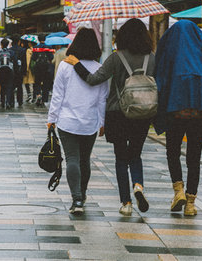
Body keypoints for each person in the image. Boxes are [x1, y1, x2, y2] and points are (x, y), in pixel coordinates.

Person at [64, 18, 155, 216]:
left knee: (121, 158)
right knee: (136, 154)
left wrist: (77, 64)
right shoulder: (152, 57)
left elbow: (93, 79)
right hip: (144, 112)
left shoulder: (116, 58)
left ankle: (126, 203)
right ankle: (138, 185)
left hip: (118, 113)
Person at [154, 19, 202, 216]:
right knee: (194, 158)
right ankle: (191, 204)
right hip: (199, 115)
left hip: (175, 113)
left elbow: (159, 81)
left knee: (172, 152)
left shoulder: (170, 54)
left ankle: (178, 191)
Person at [47, 28, 108, 216]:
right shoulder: (99, 69)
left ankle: (77, 198)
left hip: (67, 121)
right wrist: (102, 122)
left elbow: (57, 95)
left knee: (72, 158)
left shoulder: (65, 66)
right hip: (90, 121)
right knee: (84, 159)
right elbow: (102, 98)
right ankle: (83, 194)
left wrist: (52, 119)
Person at [31, 34, 54, 108]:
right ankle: (44, 100)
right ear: (45, 39)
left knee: (37, 82)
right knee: (46, 83)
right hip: (47, 68)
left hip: (38, 68)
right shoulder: (49, 47)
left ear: (38, 39)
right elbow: (51, 58)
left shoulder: (35, 48)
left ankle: (38, 95)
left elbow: (33, 58)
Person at [0, 38, 18, 109]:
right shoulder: (11, 52)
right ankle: (8, 102)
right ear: (8, 44)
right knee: (9, 86)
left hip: (1, 70)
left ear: (1, 45)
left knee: (2, 86)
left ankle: (2, 102)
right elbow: (15, 61)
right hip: (10, 71)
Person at [9, 35, 26, 107]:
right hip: (20, 70)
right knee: (19, 86)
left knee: (11, 86)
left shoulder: (10, 50)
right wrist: (24, 71)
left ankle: (11, 101)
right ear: (19, 42)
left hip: (12, 70)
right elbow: (24, 61)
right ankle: (20, 101)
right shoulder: (22, 50)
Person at [23, 38, 36, 104]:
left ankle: (29, 95)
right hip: (35, 69)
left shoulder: (28, 50)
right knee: (34, 83)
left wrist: (27, 69)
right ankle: (34, 96)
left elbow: (28, 60)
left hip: (29, 69)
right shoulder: (36, 49)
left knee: (26, 82)